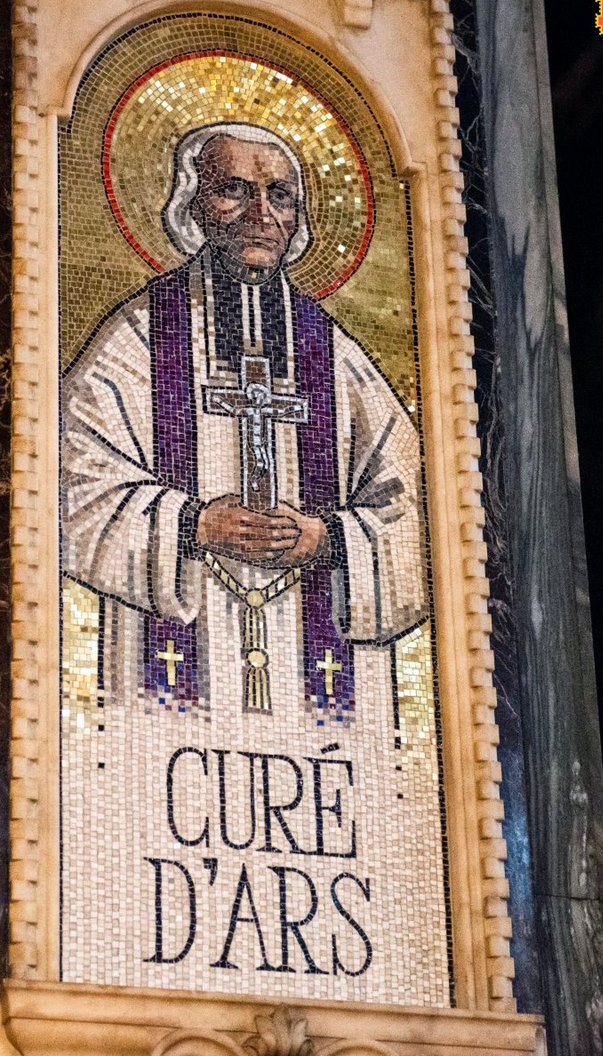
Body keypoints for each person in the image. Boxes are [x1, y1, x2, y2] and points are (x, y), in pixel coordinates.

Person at [61, 122, 425, 718]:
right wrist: (193, 525)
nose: (261, 213)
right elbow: (73, 482)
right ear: (192, 204)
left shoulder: (332, 353)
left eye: (280, 195)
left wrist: (325, 539)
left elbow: (414, 505)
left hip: (315, 668)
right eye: (234, 189)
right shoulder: (141, 336)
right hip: (170, 663)